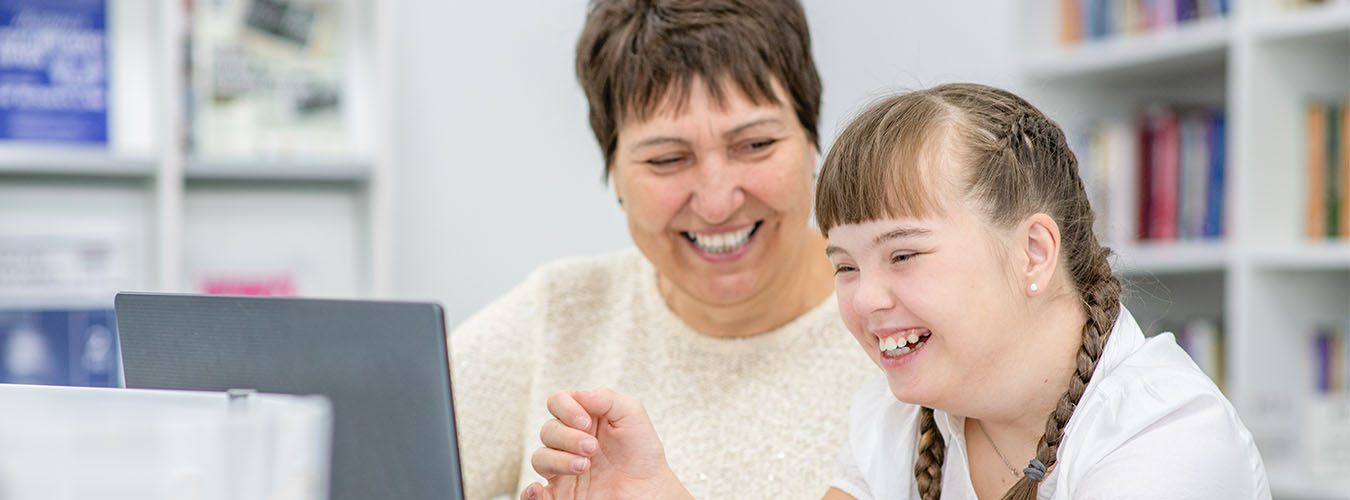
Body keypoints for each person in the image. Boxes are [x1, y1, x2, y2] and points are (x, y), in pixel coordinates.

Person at [522, 83, 1271, 500]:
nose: (864, 299)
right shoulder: (897, 420)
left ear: (1034, 251)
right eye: (844, 265)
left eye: (903, 254)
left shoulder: (1169, 444)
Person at [449, 1, 875, 499]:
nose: (717, 204)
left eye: (755, 145)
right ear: (614, 176)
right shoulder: (558, 314)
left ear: (811, 143)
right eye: (668, 159)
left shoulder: (902, 329)